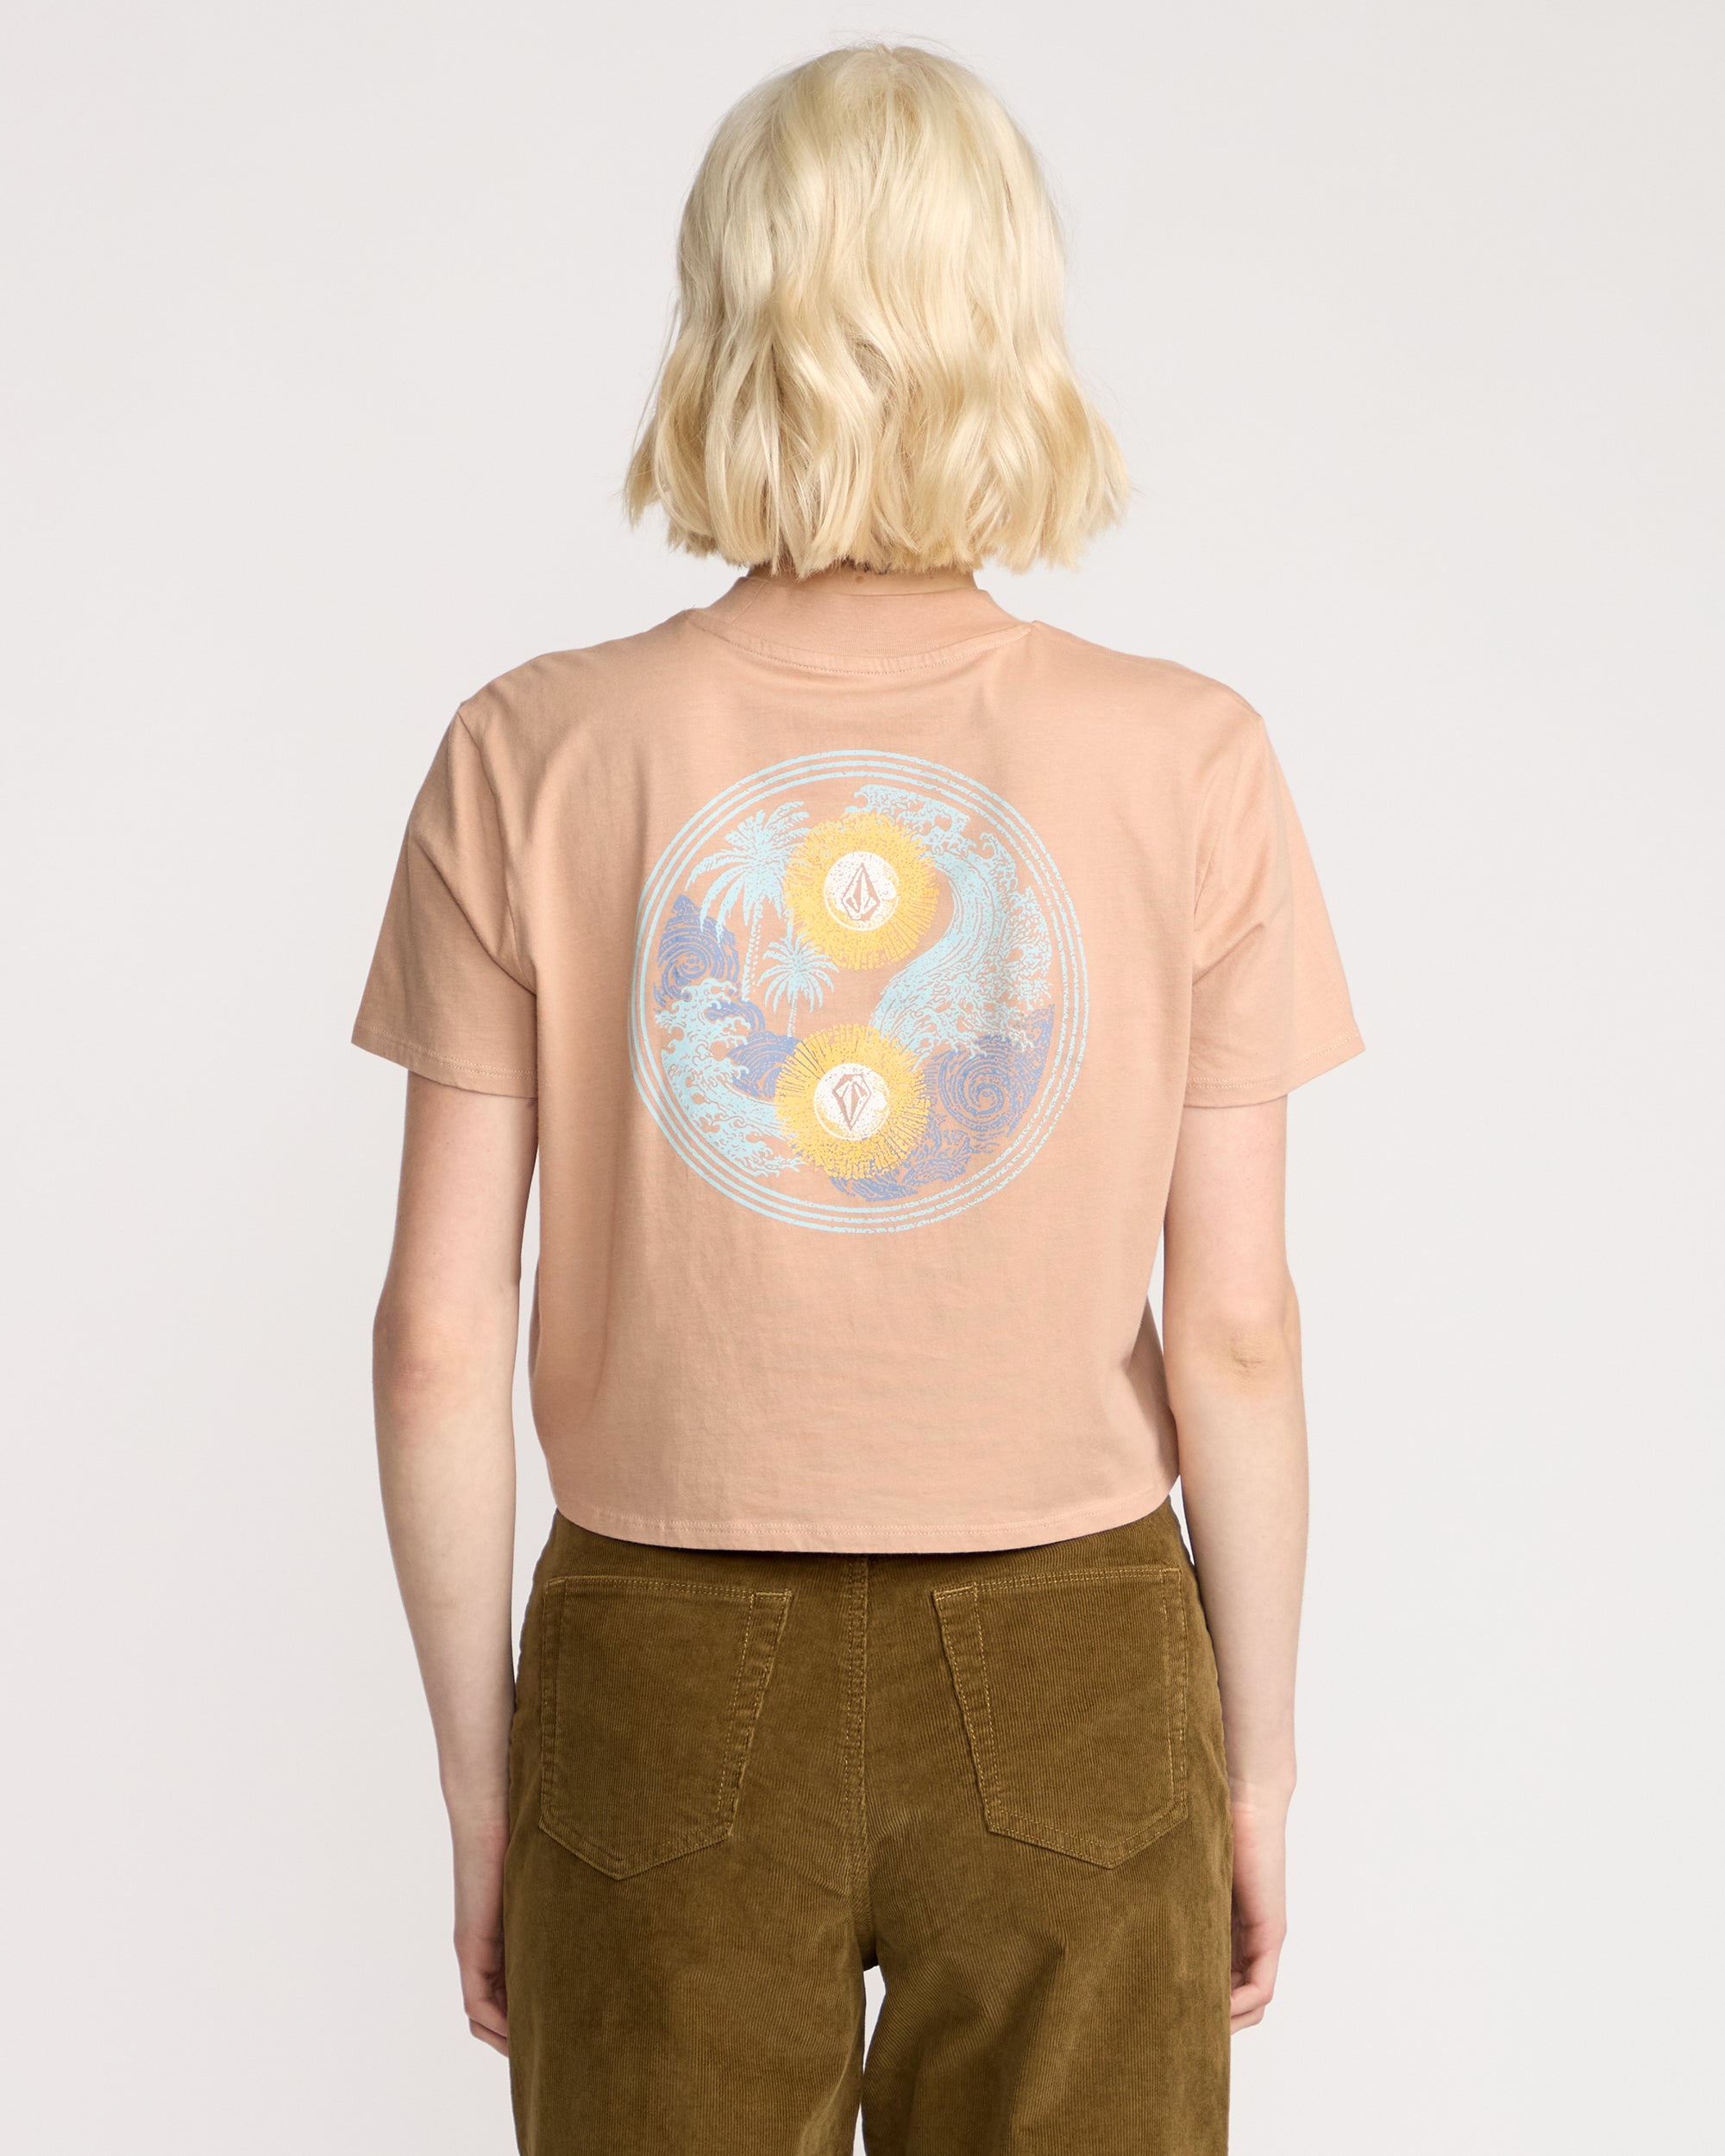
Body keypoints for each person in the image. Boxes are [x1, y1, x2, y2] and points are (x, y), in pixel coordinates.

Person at [354, 42, 1363, 2156]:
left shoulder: (534, 749)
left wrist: (482, 1782)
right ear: (1016, 329)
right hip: (1078, 1652)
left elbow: (437, 1331)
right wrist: (1254, 1766)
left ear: (719, 327)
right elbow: (1240, 1329)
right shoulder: (1188, 759)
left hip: (658, 1654)